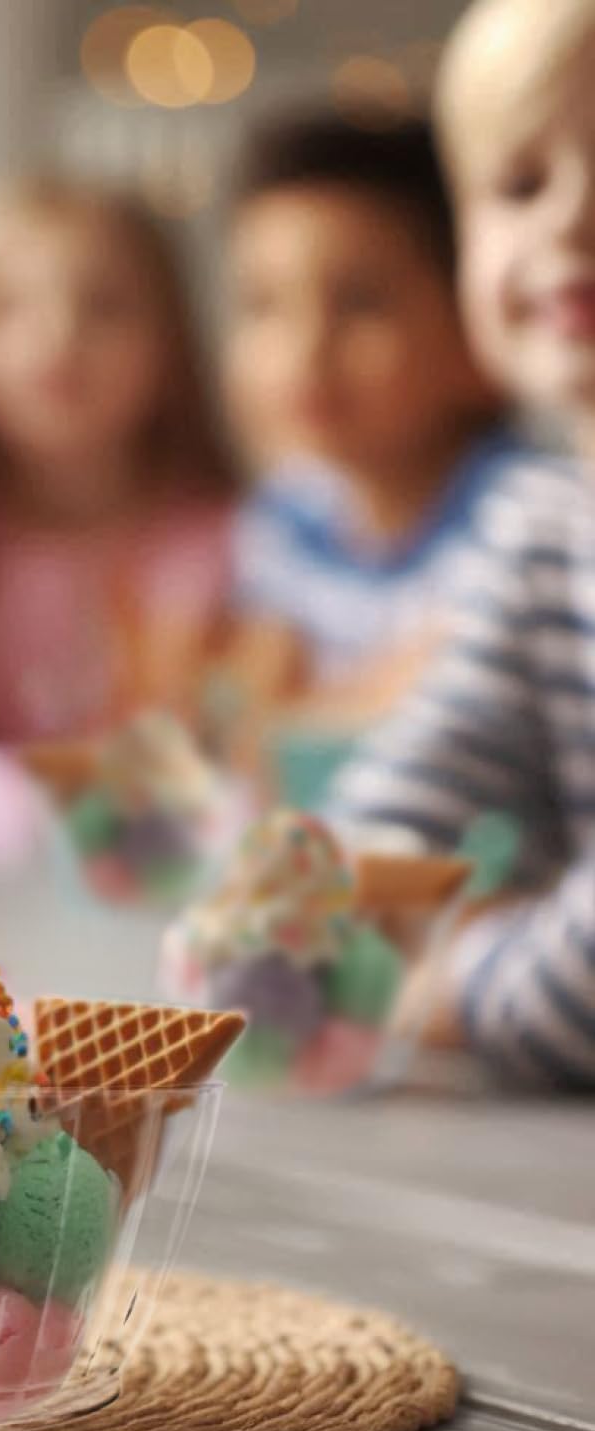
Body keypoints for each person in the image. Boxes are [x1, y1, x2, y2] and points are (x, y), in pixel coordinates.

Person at [332, 0, 595, 1086]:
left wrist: (442, 986)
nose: (569, 220)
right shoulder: (542, 524)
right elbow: (421, 773)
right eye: (520, 184)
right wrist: (312, 920)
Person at [224, 110, 523, 728]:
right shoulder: (289, 516)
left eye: (359, 303)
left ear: (477, 329)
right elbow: (248, 710)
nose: (305, 349)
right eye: (262, 305)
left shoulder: (520, 524)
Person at [0, 178, 235, 744]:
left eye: (105, 306)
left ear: (171, 340)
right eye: (7, 307)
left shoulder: (235, 548)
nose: (59, 337)